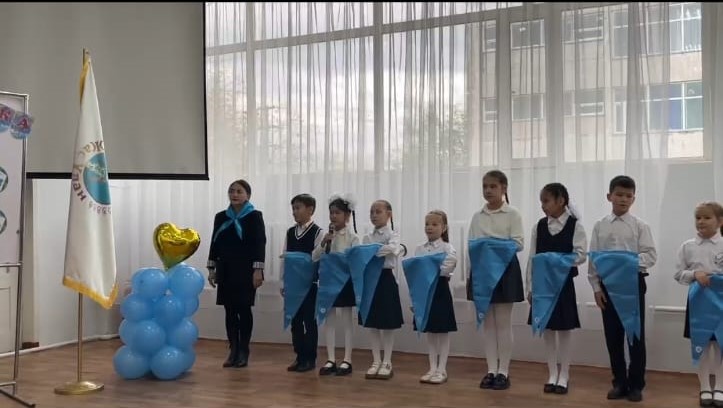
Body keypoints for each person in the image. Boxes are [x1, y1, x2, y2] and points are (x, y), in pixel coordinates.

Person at [588, 175, 656, 402]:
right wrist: (596, 287)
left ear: (633, 199)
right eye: (619, 194)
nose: (623, 199)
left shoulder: (640, 226)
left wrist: (626, 261)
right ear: (609, 196)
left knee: (635, 336)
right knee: (613, 336)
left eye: (628, 196)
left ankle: (636, 385)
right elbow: (594, 257)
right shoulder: (600, 226)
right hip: (607, 286)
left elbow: (650, 256)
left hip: (632, 284)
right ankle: (619, 382)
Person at [525, 183, 587, 394]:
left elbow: (581, 255)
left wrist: (556, 260)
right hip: (543, 286)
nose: (543, 206)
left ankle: (564, 374)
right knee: (548, 330)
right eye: (541, 201)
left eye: (546, 201)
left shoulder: (575, 226)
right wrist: (530, 287)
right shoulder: (539, 226)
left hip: (563, 285)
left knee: (564, 330)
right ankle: (552, 373)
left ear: (561, 201)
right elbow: (532, 258)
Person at [467, 170, 525, 390]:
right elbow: (471, 245)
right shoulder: (477, 216)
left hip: (504, 271)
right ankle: (491, 370)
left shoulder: (513, 214)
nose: (488, 190)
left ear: (504, 188)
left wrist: (491, 244)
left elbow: (518, 243)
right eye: (485, 186)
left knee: (503, 323)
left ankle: (504, 371)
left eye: (493, 186)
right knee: (488, 325)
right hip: (482, 272)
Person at [207, 179, 266, 368]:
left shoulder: (254, 216)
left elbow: (260, 243)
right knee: (229, 310)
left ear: (248, 195)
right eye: (231, 191)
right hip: (226, 268)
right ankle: (233, 349)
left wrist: (258, 270)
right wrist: (212, 268)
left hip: (246, 270)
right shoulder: (221, 217)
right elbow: (214, 242)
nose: (235, 194)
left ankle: (244, 350)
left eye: (239, 191)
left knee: (244, 309)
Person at [673, 201, 723, 407]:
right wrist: (694, 274)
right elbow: (678, 274)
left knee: (720, 345)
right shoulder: (688, 246)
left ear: (720, 221)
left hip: (721, 303)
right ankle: (704, 387)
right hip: (698, 304)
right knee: (701, 345)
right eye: (698, 217)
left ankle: (719, 387)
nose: (701, 221)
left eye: (707, 217)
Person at [312, 194, 359, 376]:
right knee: (328, 320)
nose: (333, 216)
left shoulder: (352, 237)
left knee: (347, 321)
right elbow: (314, 257)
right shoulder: (325, 235)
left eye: (337, 213)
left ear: (347, 215)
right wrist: (324, 243)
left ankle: (347, 359)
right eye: (331, 213)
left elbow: (355, 260)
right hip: (328, 281)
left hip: (345, 281)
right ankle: (331, 359)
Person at [361, 200, 405, 380]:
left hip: (386, 278)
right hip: (370, 280)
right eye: (372, 212)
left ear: (389, 214)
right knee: (372, 323)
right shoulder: (367, 237)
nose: (374, 215)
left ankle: (387, 361)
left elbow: (393, 249)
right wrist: (377, 250)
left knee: (387, 323)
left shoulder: (393, 234)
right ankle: (375, 360)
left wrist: (374, 250)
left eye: (378, 211)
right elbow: (364, 255)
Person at [280, 194, 323, 373]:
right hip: (293, 284)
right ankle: (299, 356)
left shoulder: (318, 232)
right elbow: (285, 257)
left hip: (309, 284)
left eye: (298, 208)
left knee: (309, 322)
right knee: (295, 321)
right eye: (293, 209)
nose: (294, 212)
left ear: (310, 210)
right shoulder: (290, 232)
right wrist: (283, 281)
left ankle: (310, 358)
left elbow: (317, 257)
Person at [413, 210, 457, 385]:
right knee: (430, 331)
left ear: (444, 227)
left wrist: (431, 268)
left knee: (442, 331)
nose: (429, 227)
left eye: (434, 224)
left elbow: (447, 267)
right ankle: (432, 368)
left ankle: (442, 369)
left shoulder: (447, 247)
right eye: (427, 224)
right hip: (424, 292)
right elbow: (416, 272)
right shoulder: (419, 249)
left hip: (440, 290)